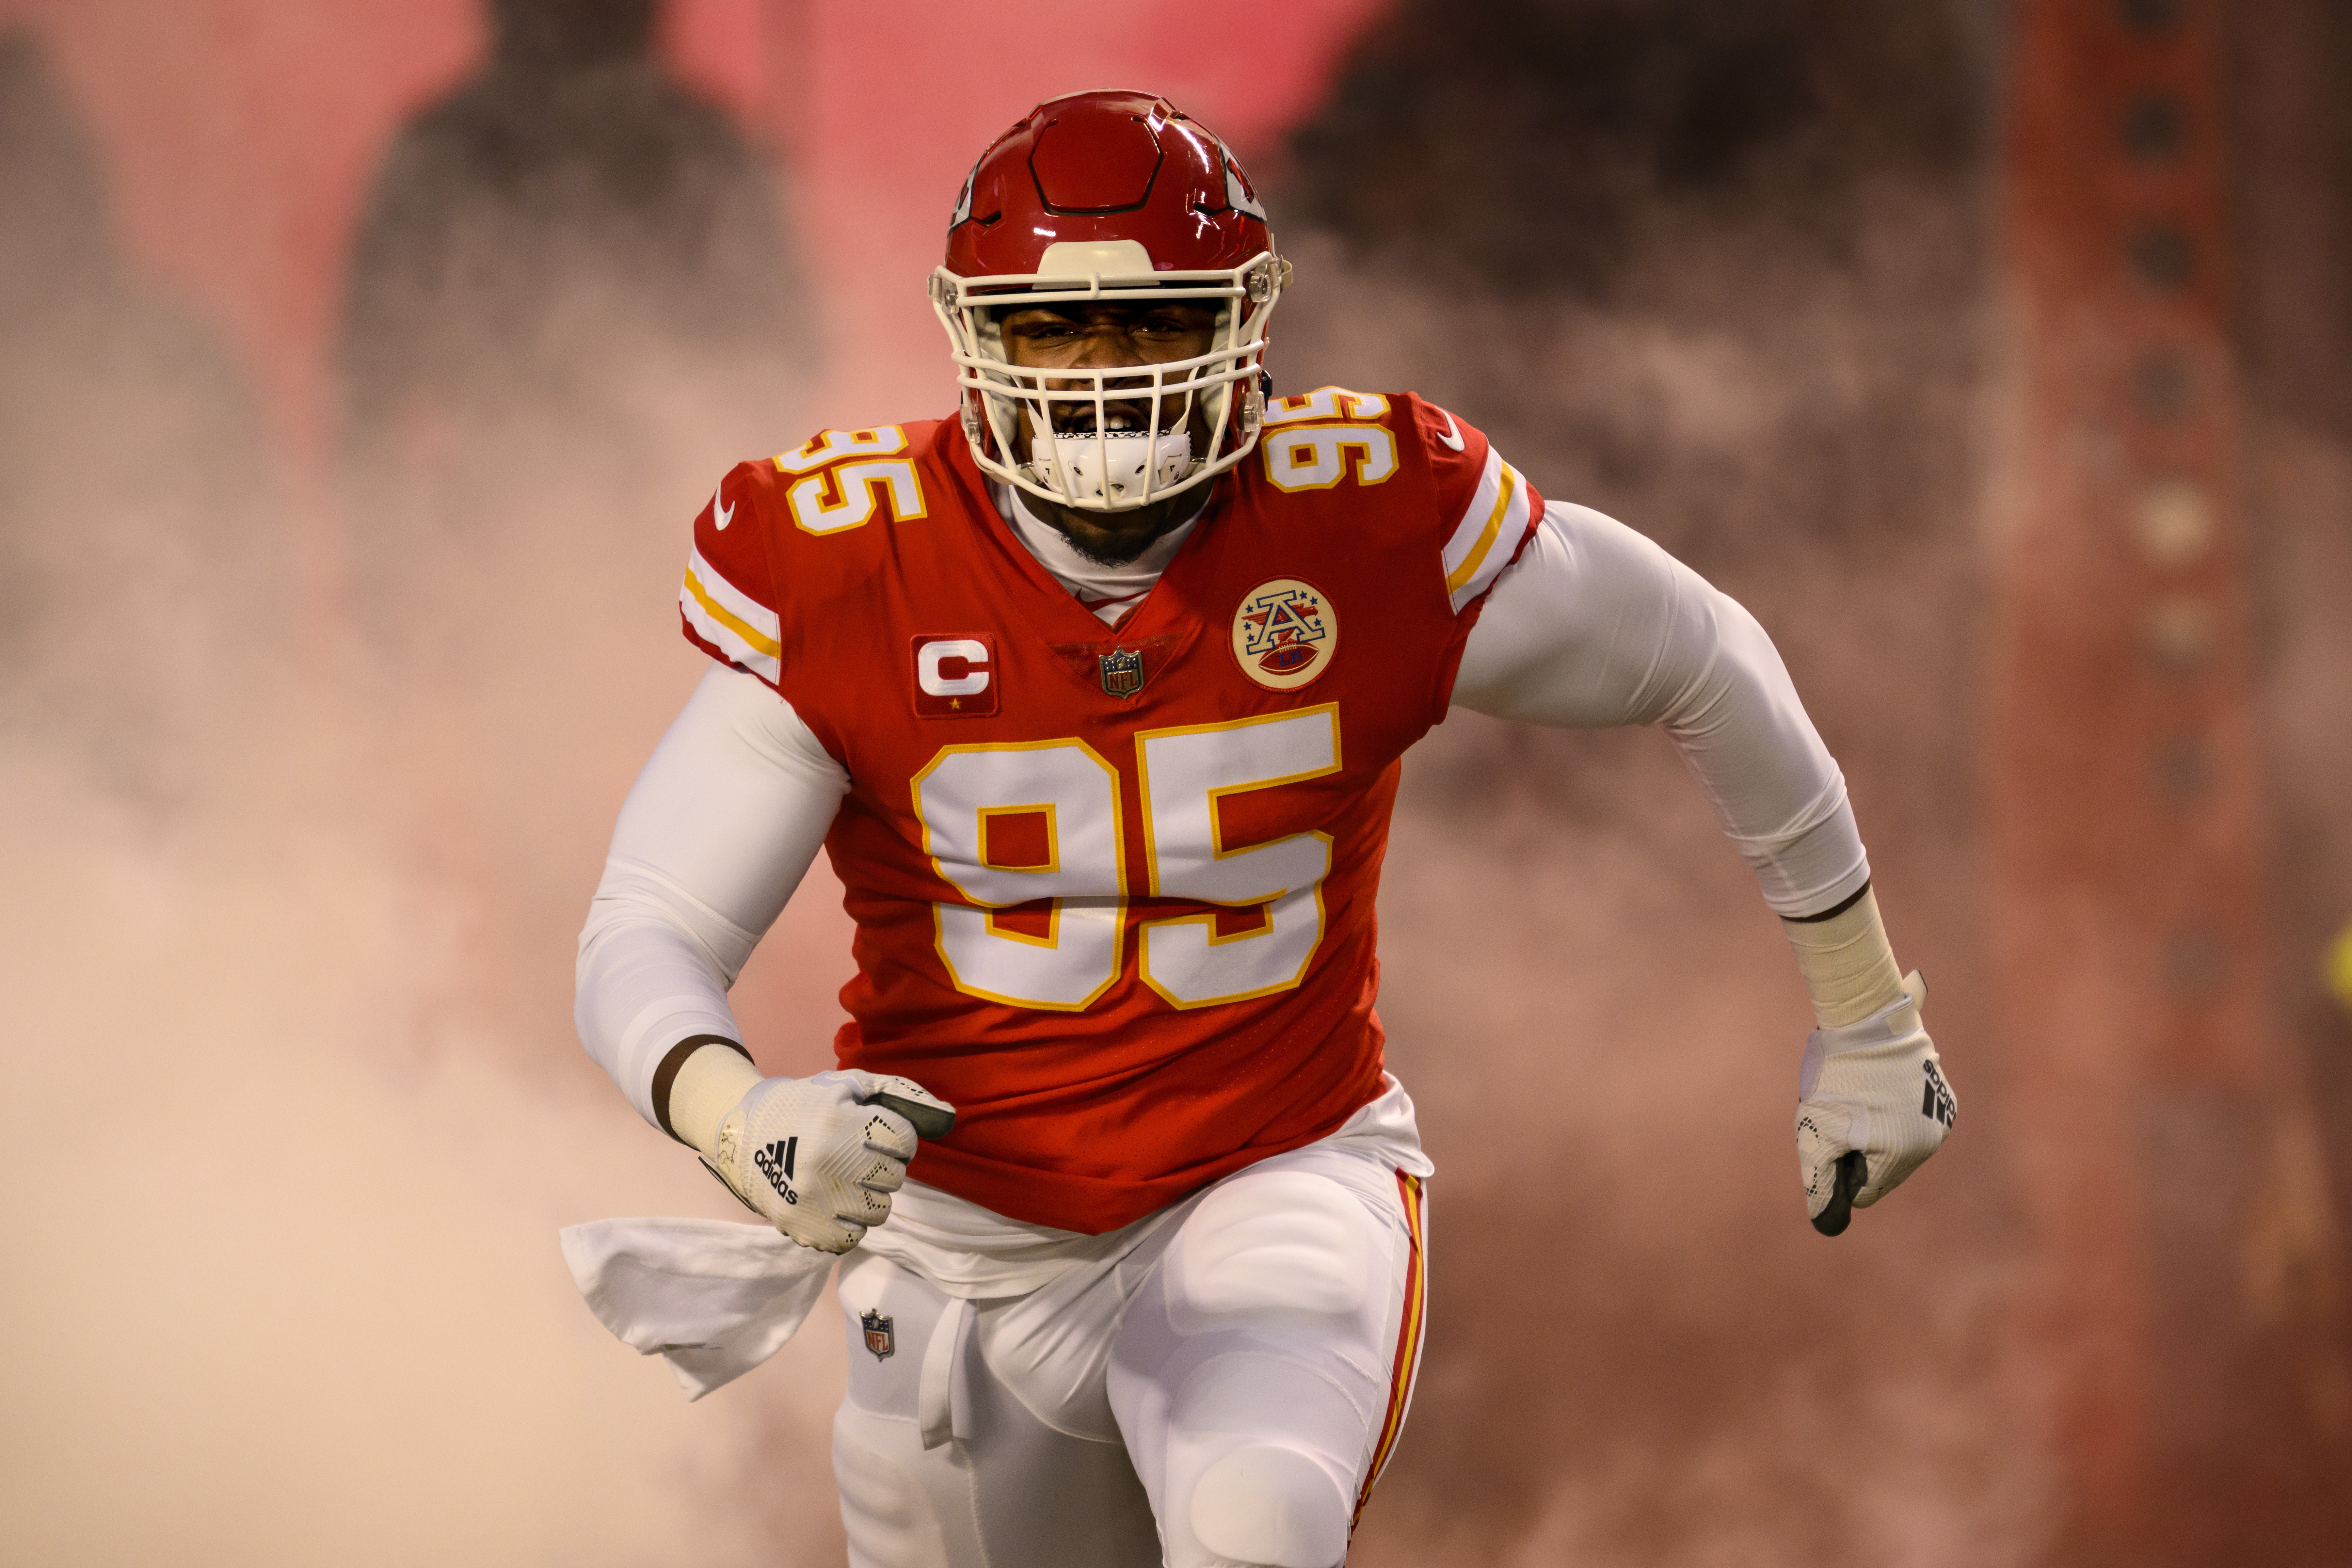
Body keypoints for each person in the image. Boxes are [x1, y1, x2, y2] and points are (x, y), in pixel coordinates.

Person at [573, 89, 1956, 1568]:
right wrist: (735, 1117)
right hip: (963, 1238)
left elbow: (1701, 654)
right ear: (975, 337)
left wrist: (1869, 1012)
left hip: (1271, 1170)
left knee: (1259, 1523)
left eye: (1152, 323)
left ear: (1240, 321)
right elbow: (644, 929)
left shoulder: (1362, 518)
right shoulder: (853, 563)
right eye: (1055, 334)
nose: (1103, 379)